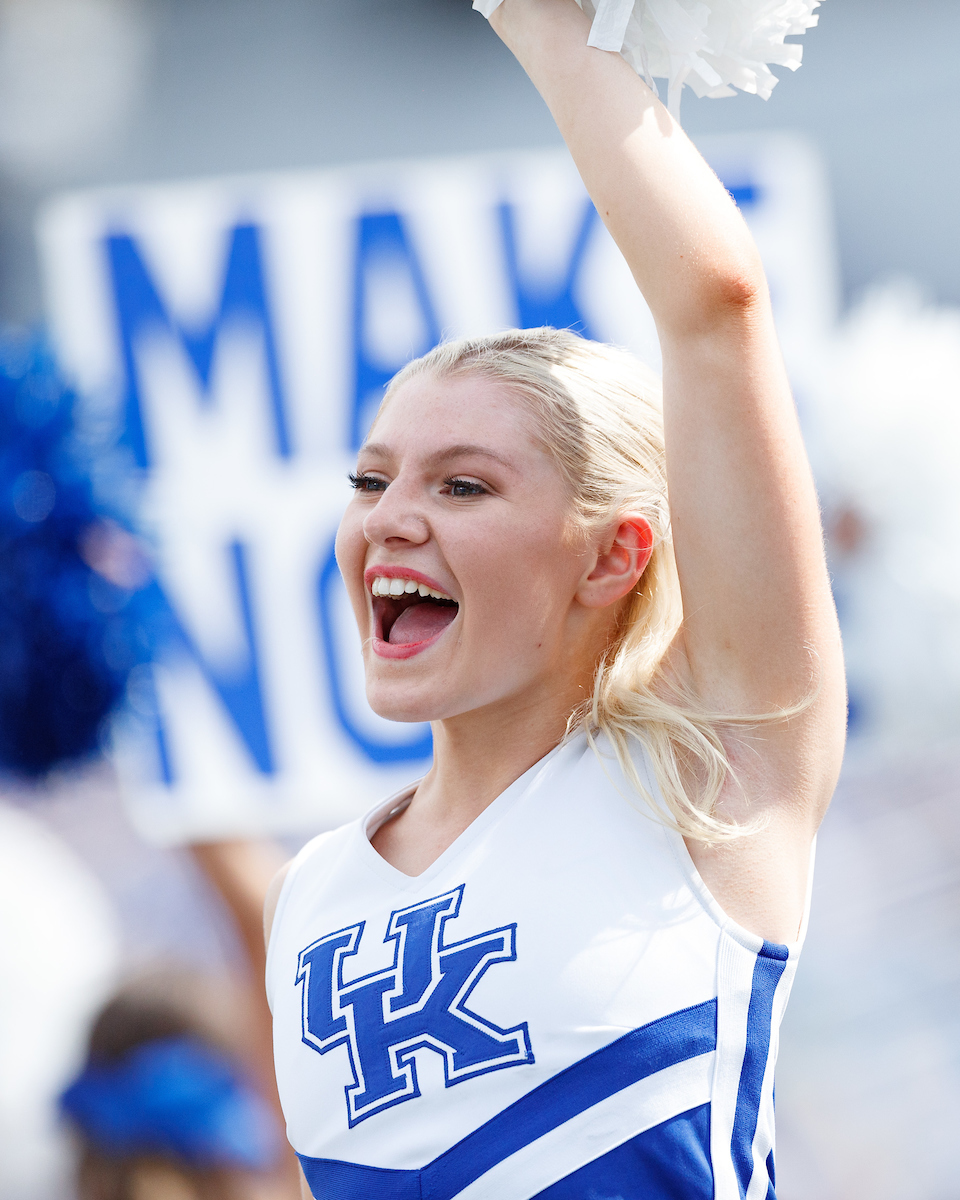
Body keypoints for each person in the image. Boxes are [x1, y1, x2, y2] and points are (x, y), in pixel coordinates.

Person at [264, 2, 846, 1196]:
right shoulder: (312, 891)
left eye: (462, 484)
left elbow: (717, 310)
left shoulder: (709, 779)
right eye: (371, 479)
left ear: (613, 557)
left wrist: (546, 28)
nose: (389, 518)